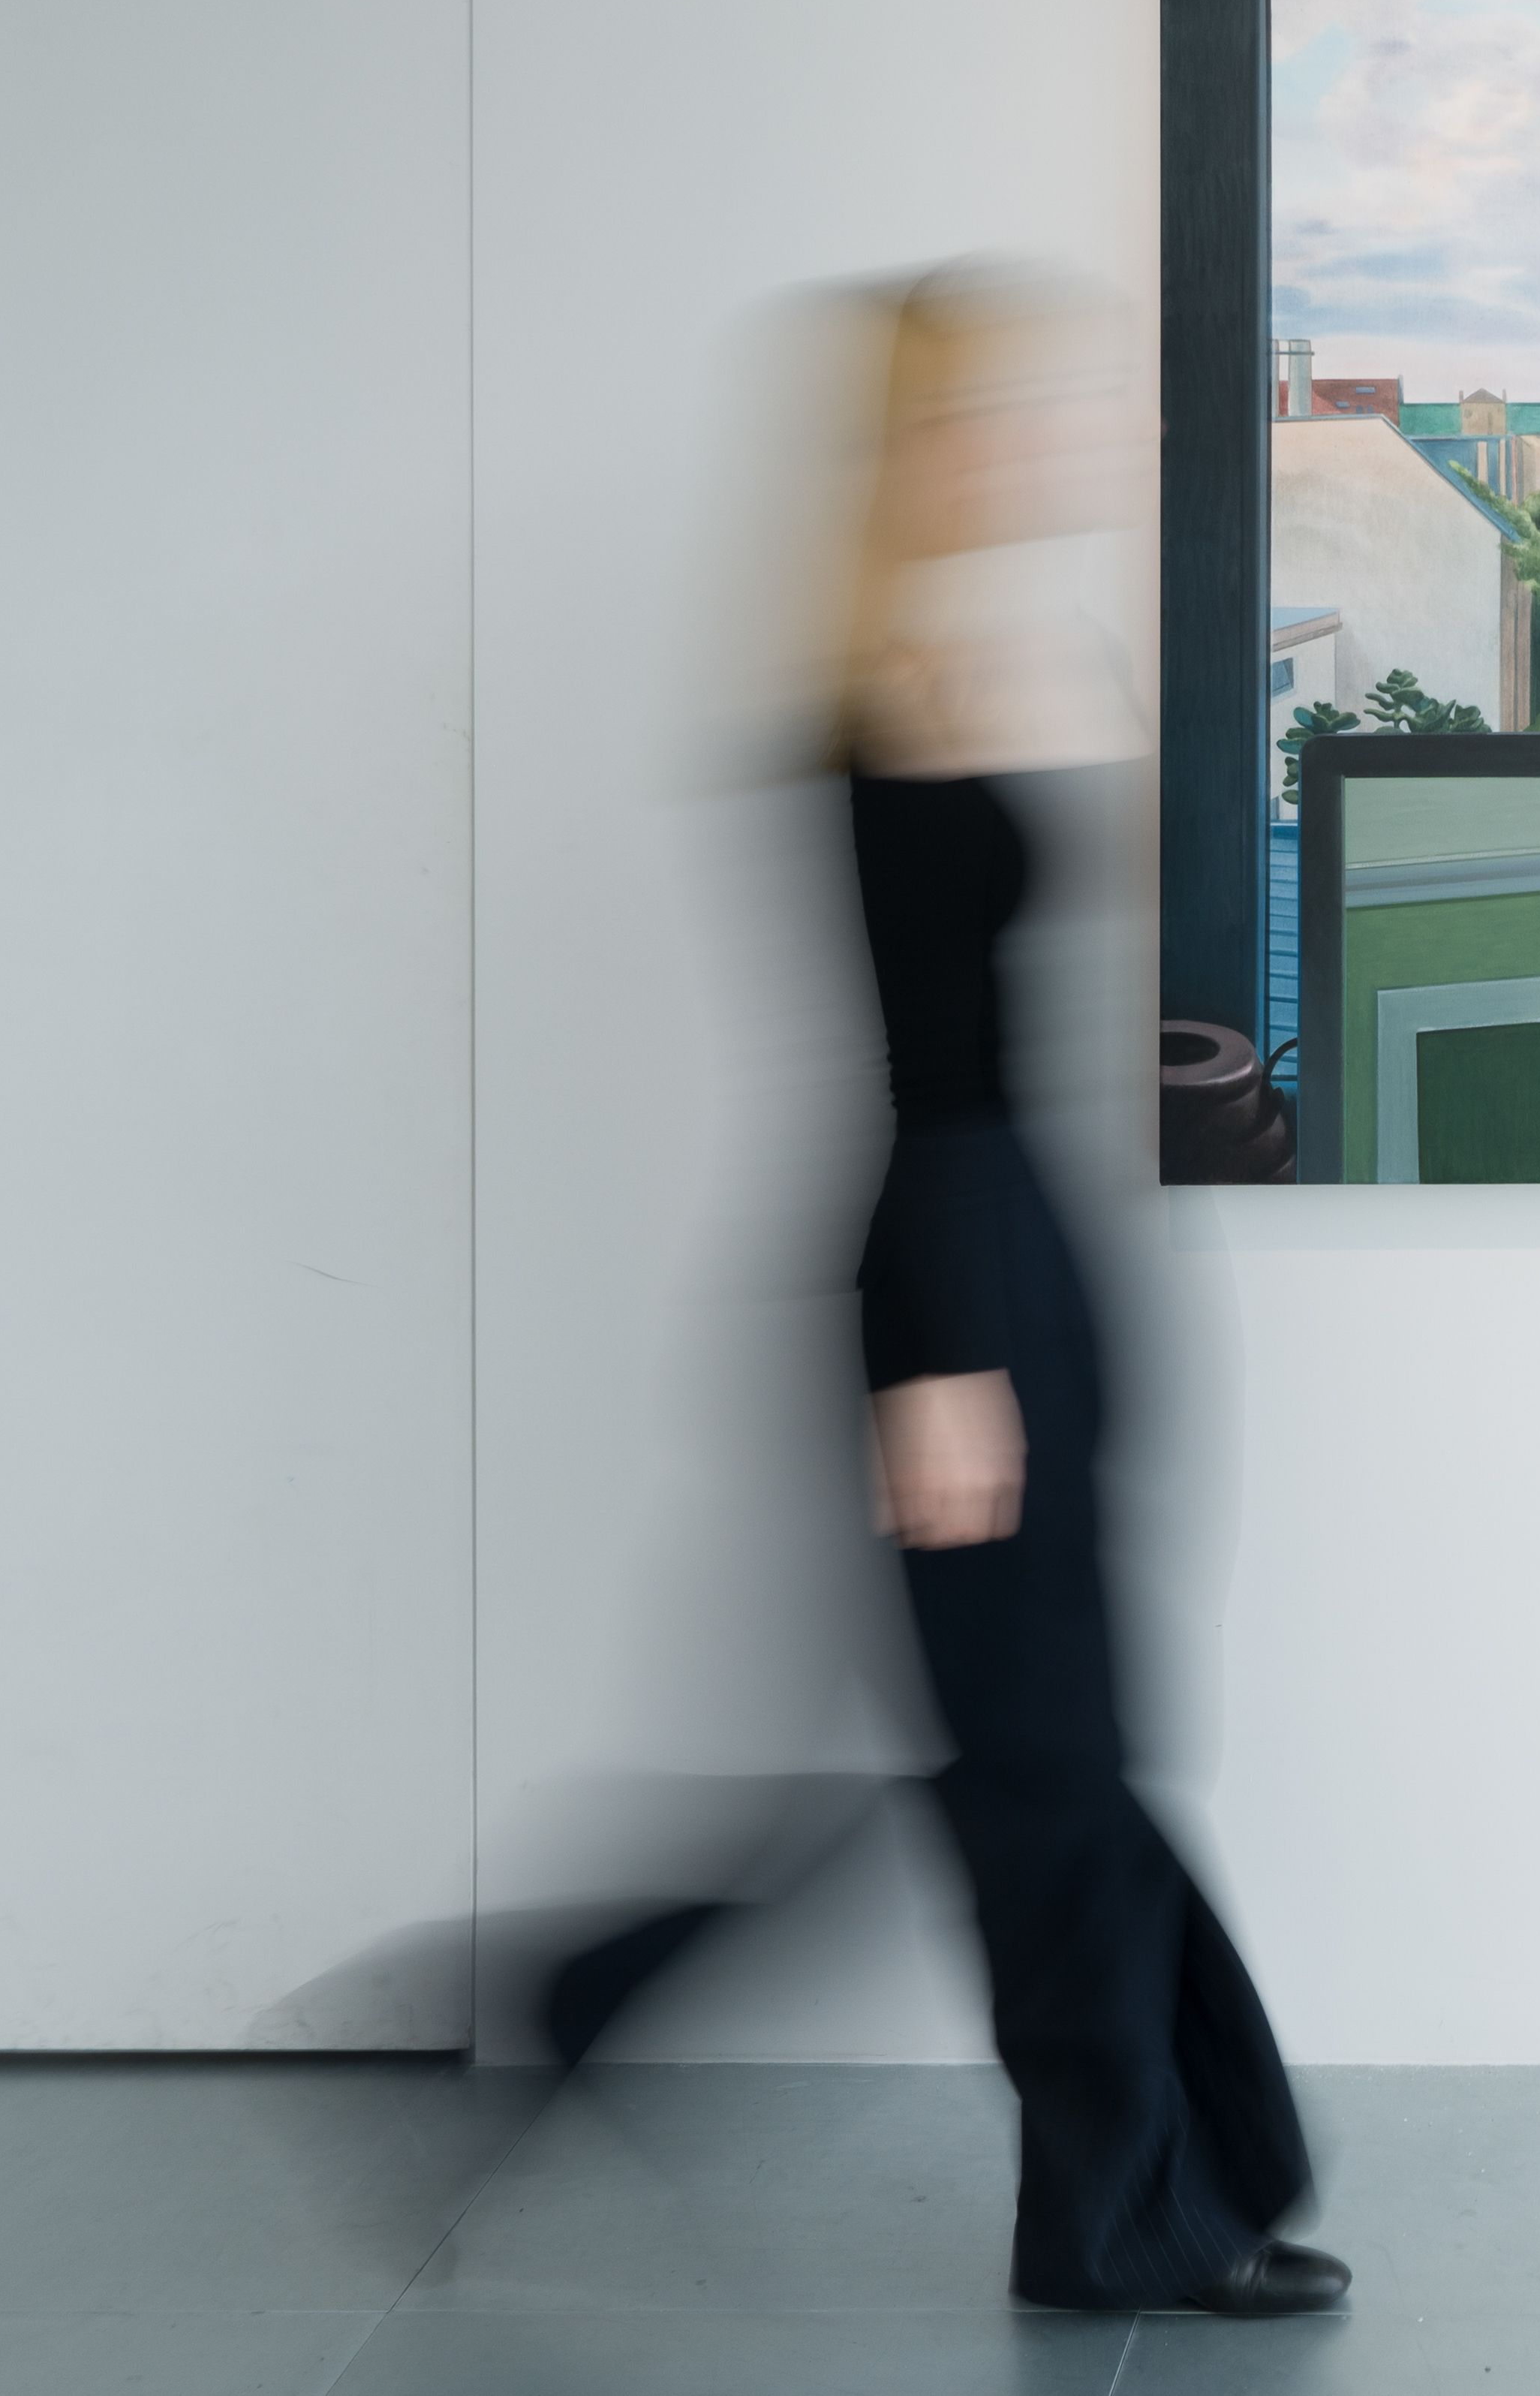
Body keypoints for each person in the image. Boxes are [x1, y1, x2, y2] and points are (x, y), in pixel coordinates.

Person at [558, 267, 1340, 2320]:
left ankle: (1159, 2171)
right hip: (952, 1249)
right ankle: (1122, 2206)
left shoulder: (1010, 661)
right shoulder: (880, 693)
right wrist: (939, 1362)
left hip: (1047, 1245)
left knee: (1046, 1745)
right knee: (1033, 1764)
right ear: (926, 450)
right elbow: (916, 1068)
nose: (1065, 438)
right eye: (1019, 411)